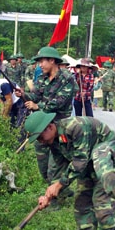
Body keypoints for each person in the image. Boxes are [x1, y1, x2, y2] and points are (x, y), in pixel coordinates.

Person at [24, 111, 115, 230]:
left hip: (107, 162)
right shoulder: (53, 141)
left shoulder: (76, 127)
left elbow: (80, 161)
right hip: (89, 164)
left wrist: (59, 184)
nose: (41, 141)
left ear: (50, 127)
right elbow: (60, 167)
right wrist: (48, 195)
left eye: (40, 137)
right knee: (82, 202)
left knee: (101, 203)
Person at [15, 47, 77, 198]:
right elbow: (35, 96)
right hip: (42, 128)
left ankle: (54, 200)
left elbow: (60, 102)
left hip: (59, 128)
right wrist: (24, 95)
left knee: (54, 167)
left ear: (52, 60)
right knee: (43, 166)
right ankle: (62, 190)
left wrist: (38, 107)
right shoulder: (42, 78)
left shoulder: (67, 78)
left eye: (42, 61)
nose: (40, 65)